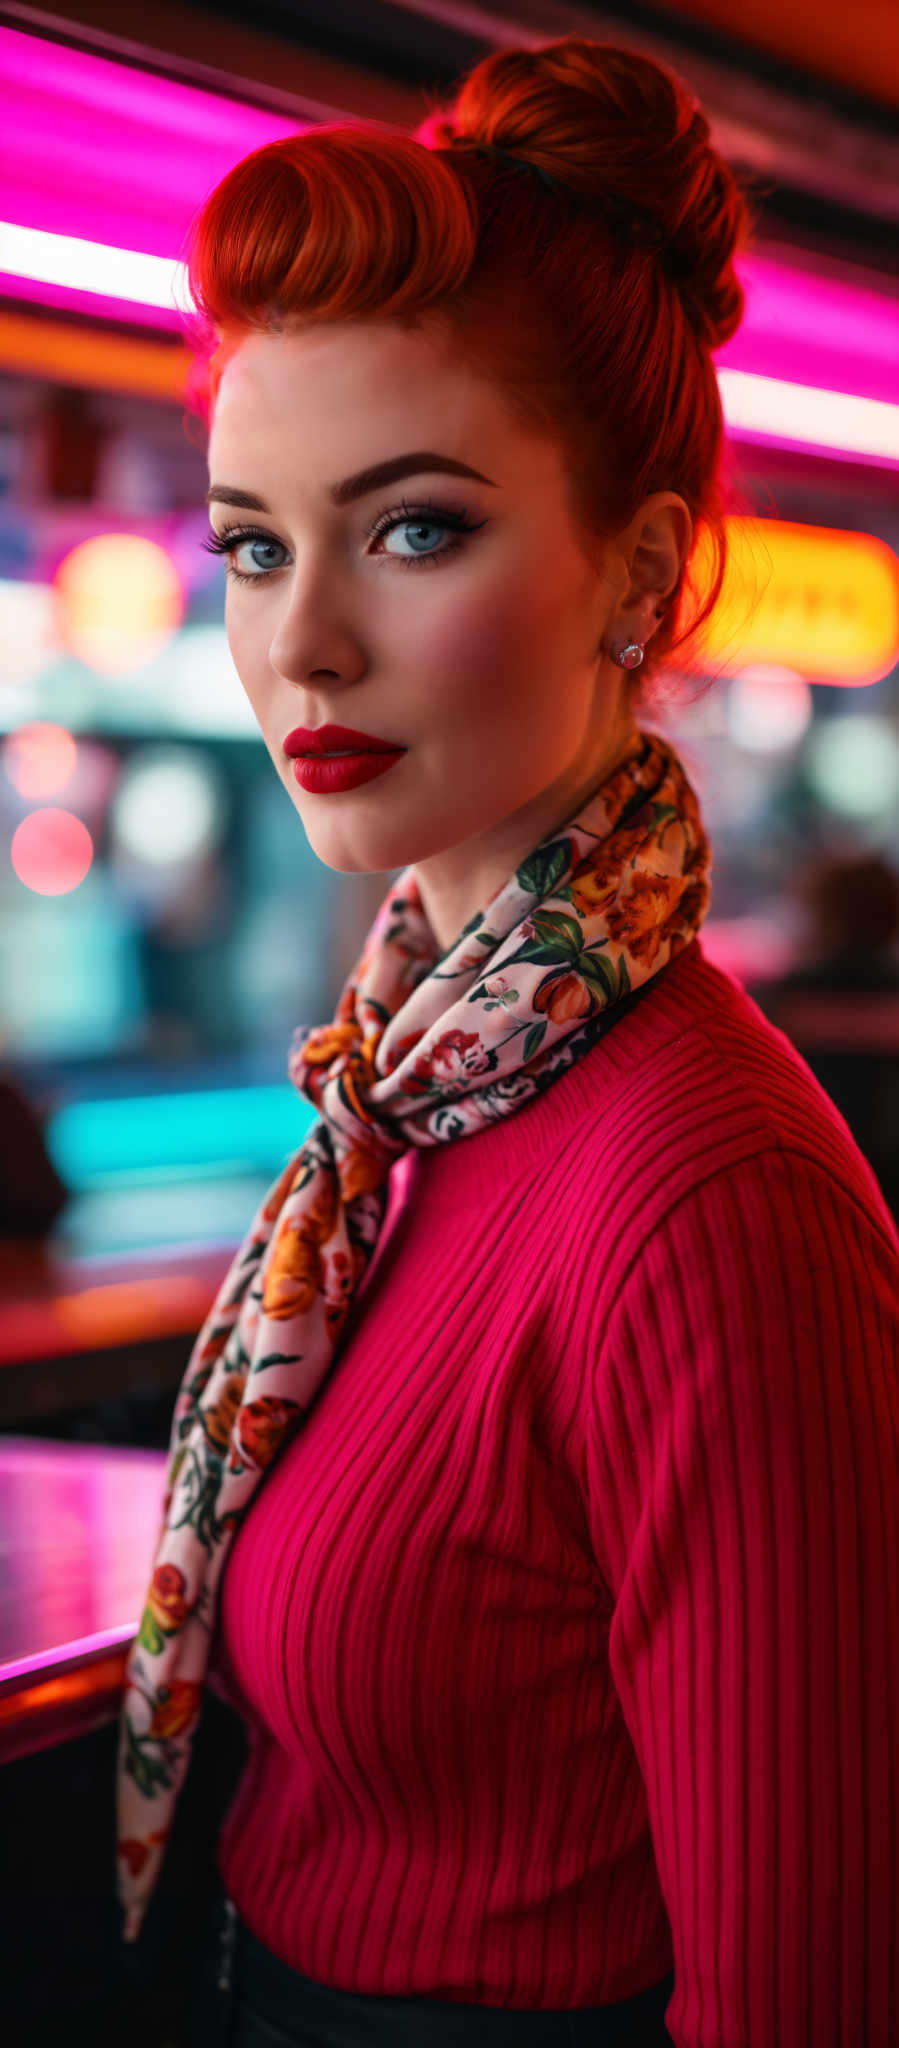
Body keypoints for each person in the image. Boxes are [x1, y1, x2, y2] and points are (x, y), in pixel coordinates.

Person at [115, 36, 899, 2047]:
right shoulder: (406, 1104)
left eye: (416, 528)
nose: (299, 642)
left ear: (638, 574)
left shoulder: (703, 1198)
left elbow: (803, 1989)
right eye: (257, 542)